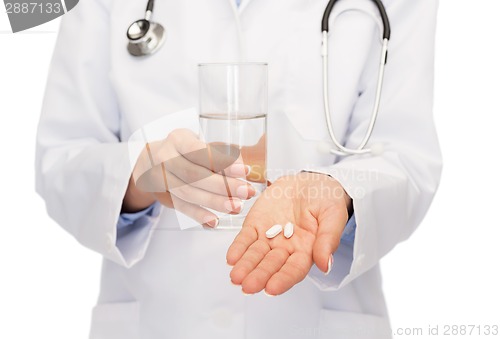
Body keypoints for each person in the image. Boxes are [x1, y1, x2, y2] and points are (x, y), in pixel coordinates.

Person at [35, 0, 442, 338]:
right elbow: (61, 159)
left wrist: (333, 190)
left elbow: (407, 157)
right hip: (159, 321)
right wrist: (138, 175)